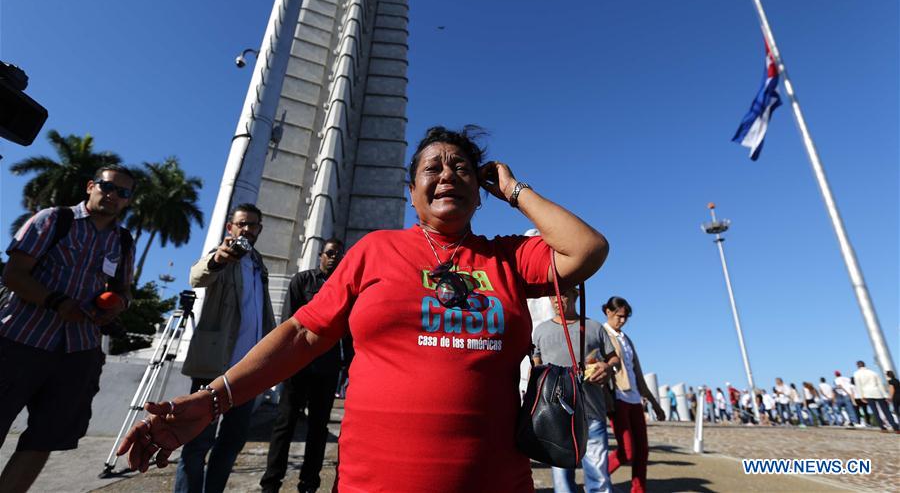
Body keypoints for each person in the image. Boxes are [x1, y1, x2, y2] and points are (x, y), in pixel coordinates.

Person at [117, 125, 609, 492]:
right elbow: (301, 335)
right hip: (372, 482)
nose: (446, 175)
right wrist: (212, 400)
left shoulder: (508, 256)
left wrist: (513, 189)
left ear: (480, 194)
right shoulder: (375, 250)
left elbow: (587, 249)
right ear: (411, 191)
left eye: (461, 167)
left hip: (494, 481)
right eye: (431, 168)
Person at [0, 165, 136, 492]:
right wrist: (57, 302)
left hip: (78, 352)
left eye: (123, 193)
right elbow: (14, 275)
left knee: (44, 439)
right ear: (91, 186)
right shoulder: (53, 220)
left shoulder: (123, 241)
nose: (113, 195)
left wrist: (117, 305)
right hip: (20, 341)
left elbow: (125, 291)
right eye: (107, 186)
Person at [174, 203, 276, 493]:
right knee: (197, 444)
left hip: (246, 372)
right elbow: (197, 276)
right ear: (230, 227)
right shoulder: (223, 257)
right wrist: (218, 259)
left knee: (231, 443)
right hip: (214, 368)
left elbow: (263, 315)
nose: (247, 229)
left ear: (259, 230)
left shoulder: (259, 265)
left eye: (252, 225)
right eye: (241, 224)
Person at [260, 238, 347, 493]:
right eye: (330, 253)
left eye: (339, 255)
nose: (334, 258)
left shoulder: (345, 287)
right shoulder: (302, 281)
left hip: (328, 368)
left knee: (318, 429)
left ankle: (309, 484)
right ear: (320, 255)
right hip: (298, 367)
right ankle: (271, 484)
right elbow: (290, 321)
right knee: (284, 425)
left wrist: (347, 364)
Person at [533, 285, 615, 493]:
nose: (556, 300)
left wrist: (607, 366)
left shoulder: (594, 327)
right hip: (556, 416)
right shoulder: (541, 331)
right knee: (561, 478)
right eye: (552, 296)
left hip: (592, 412)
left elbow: (613, 357)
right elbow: (536, 364)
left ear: (575, 296)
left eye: (562, 295)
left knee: (599, 475)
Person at [603, 296, 666, 493]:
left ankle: (638, 490)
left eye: (625, 317)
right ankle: (596, 477)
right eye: (619, 316)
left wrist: (655, 404)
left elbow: (637, 373)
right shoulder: (601, 333)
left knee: (642, 451)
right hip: (617, 398)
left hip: (634, 398)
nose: (622, 321)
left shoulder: (626, 338)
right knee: (627, 450)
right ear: (608, 312)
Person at [852, 361, 899, 433]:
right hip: (878, 392)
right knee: (886, 410)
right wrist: (885, 395)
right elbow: (880, 384)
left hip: (867, 394)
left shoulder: (856, 374)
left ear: (857, 366)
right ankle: (895, 427)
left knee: (875, 411)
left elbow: (859, 386)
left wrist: (861, 396)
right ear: (865, 364)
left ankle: (883, 428)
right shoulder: (873, 372)